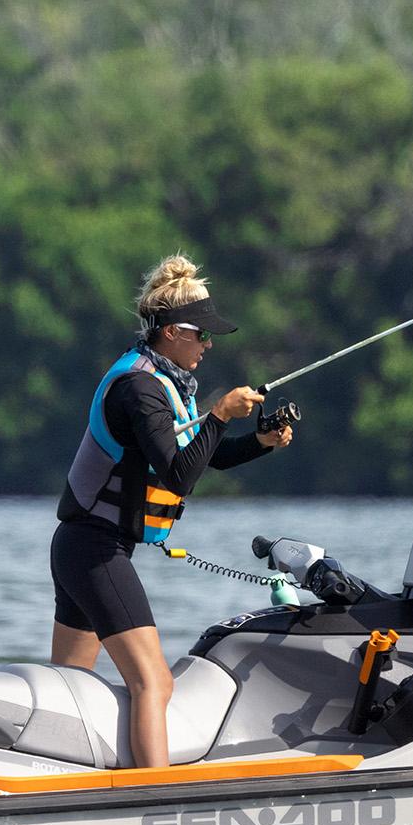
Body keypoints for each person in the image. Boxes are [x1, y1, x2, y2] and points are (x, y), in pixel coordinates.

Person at [50, 254, 295, 768]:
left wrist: (263, 441)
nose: (208, 346)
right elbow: (180, 474)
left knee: (70, 692)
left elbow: (209, 457)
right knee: (154, 681)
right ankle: (158, 805)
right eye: (201, 336)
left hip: (86, 548)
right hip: (95, 551)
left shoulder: (162, 383)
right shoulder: (140, 388)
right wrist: (221, 413)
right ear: (172, 333)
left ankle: (63, 781)